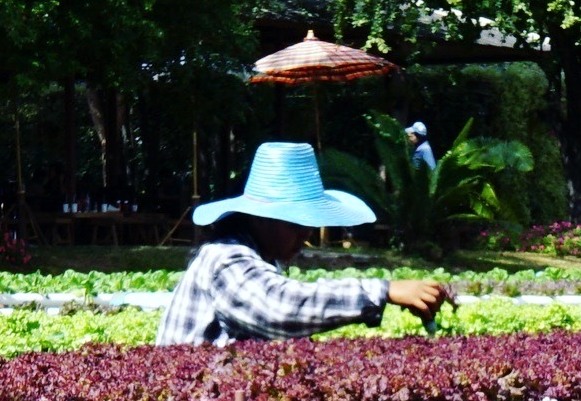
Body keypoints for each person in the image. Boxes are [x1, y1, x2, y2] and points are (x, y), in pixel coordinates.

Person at [157, 141, 453, 345]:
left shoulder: (257, 258)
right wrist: (383, 290)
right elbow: (281, 308)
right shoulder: (225, 259)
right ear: (259, 218)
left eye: (308, 226)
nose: (304, 237)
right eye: (294, 226)